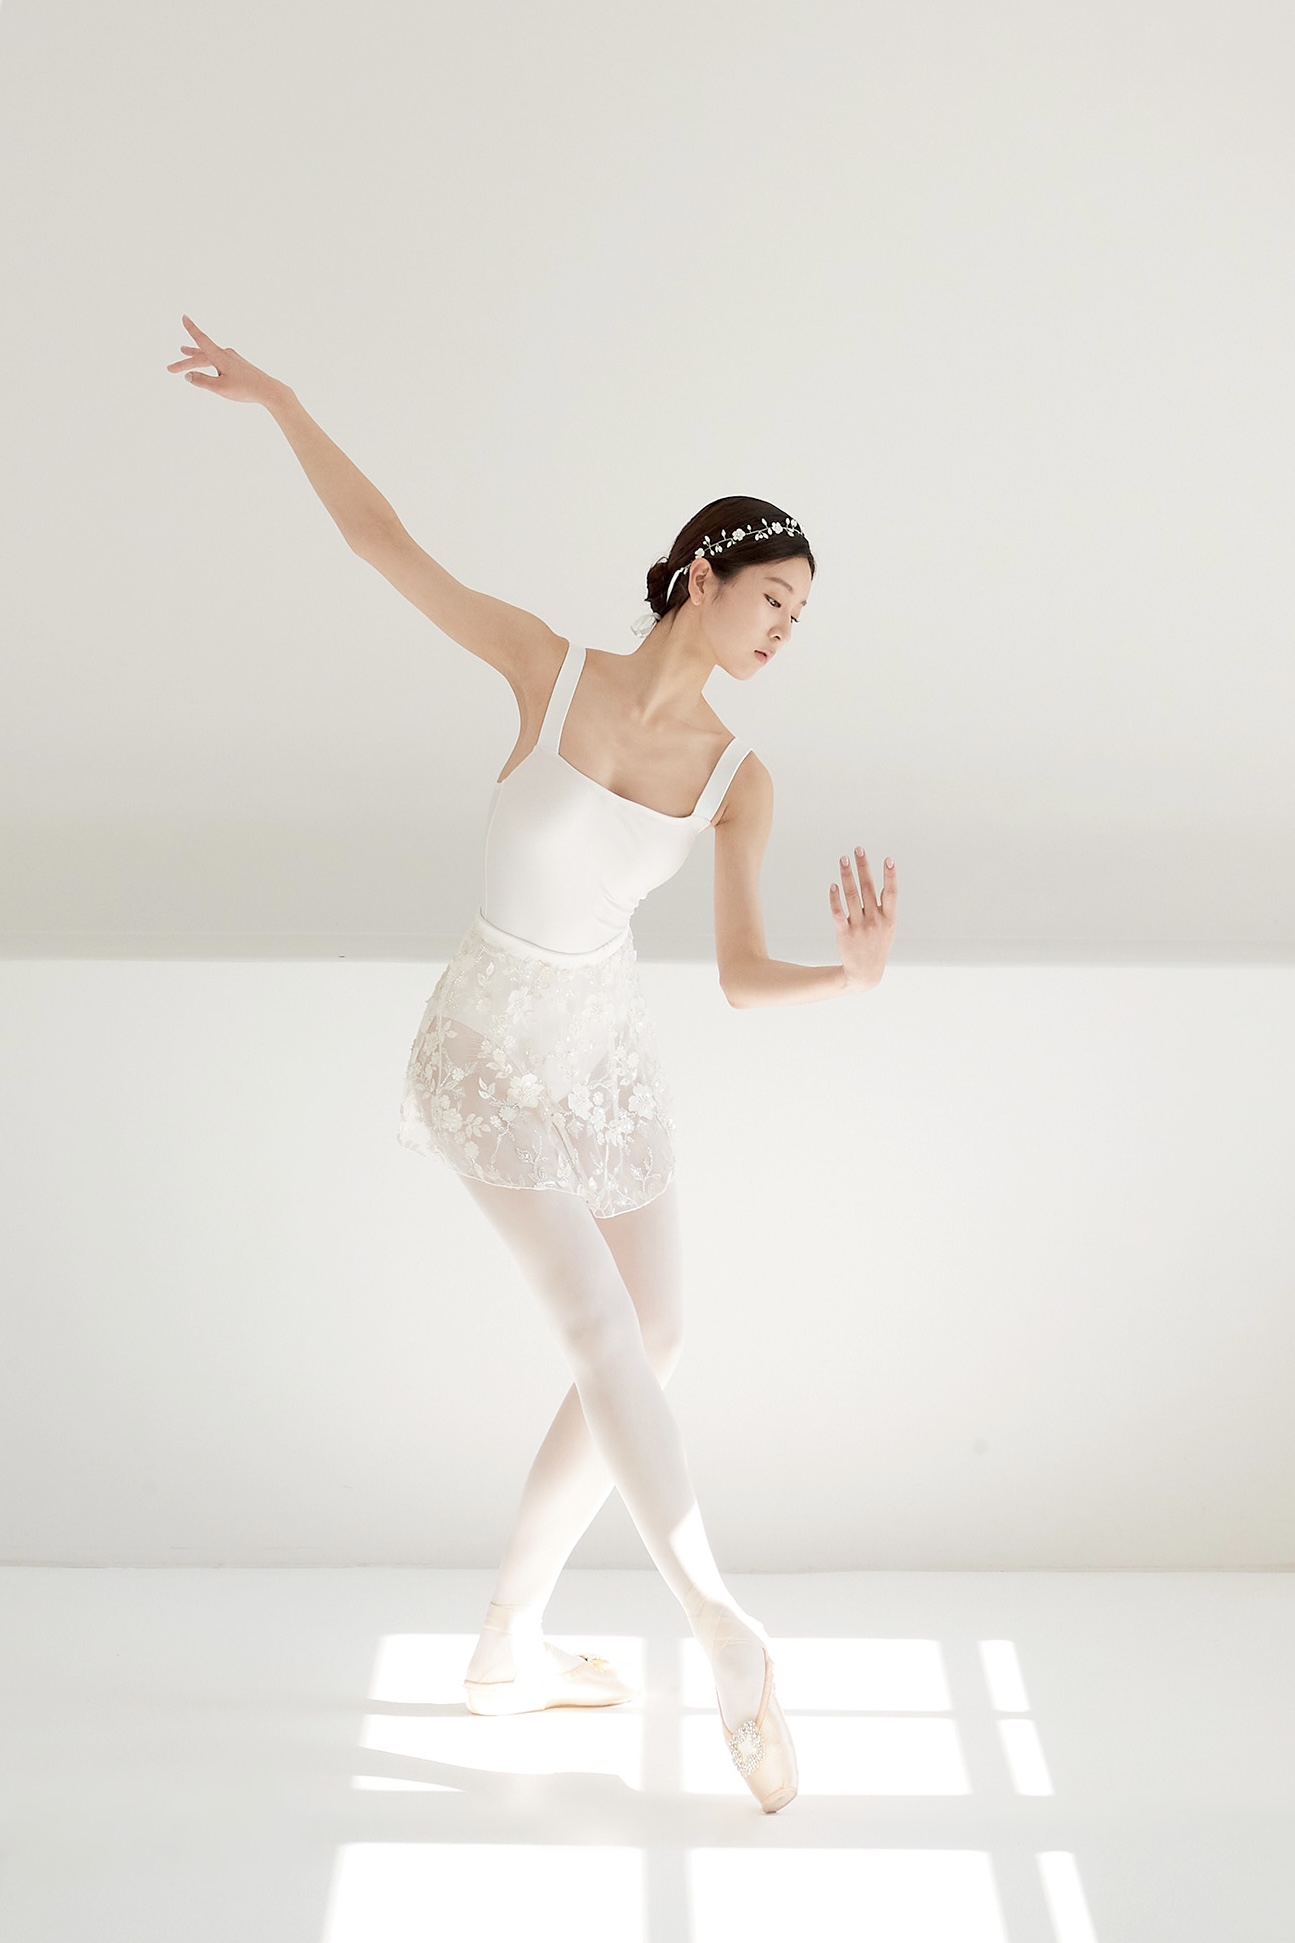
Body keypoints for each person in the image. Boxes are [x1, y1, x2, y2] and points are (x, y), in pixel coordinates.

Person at [168, 315, 898, 1812]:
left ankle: (508, 1643)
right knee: (599, 1329)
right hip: (485, 1046)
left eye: (802, 619)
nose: (784, 631)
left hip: (602, 1048)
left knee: (656, 1332)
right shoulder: (550, 673)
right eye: (773, 599)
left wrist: (853, 977)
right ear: (700, 578)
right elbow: (385, 545)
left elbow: (742, 977)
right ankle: (721, 1626)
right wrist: (284, 400)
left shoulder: (742, 780)